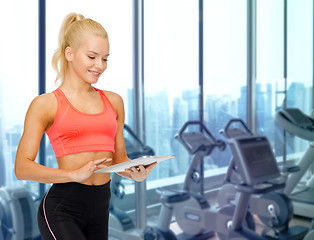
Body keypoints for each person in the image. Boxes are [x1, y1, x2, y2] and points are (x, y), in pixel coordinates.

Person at [14, 12, 157, 240]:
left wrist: (134, 172)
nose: (99, 66)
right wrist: (73, 174)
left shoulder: (114, 101)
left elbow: (118, 160)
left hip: (101, 207)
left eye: (105, 58)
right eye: (92, 57)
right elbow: (21, 168)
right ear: (69, 53)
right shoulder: (46, 104)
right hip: (62, 208)